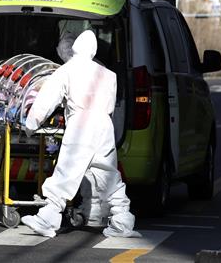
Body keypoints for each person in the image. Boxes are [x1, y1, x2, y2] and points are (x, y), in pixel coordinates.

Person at [21, 30, 140, 239]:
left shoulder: (67, 70)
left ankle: (47, 218)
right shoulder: (108, 74)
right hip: (104, 126)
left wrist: (30, 125)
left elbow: (46, 100)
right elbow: (111, 105)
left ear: (74, 47)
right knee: (108, 174)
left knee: (66, 172)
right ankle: (122, 220)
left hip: (81, 124)